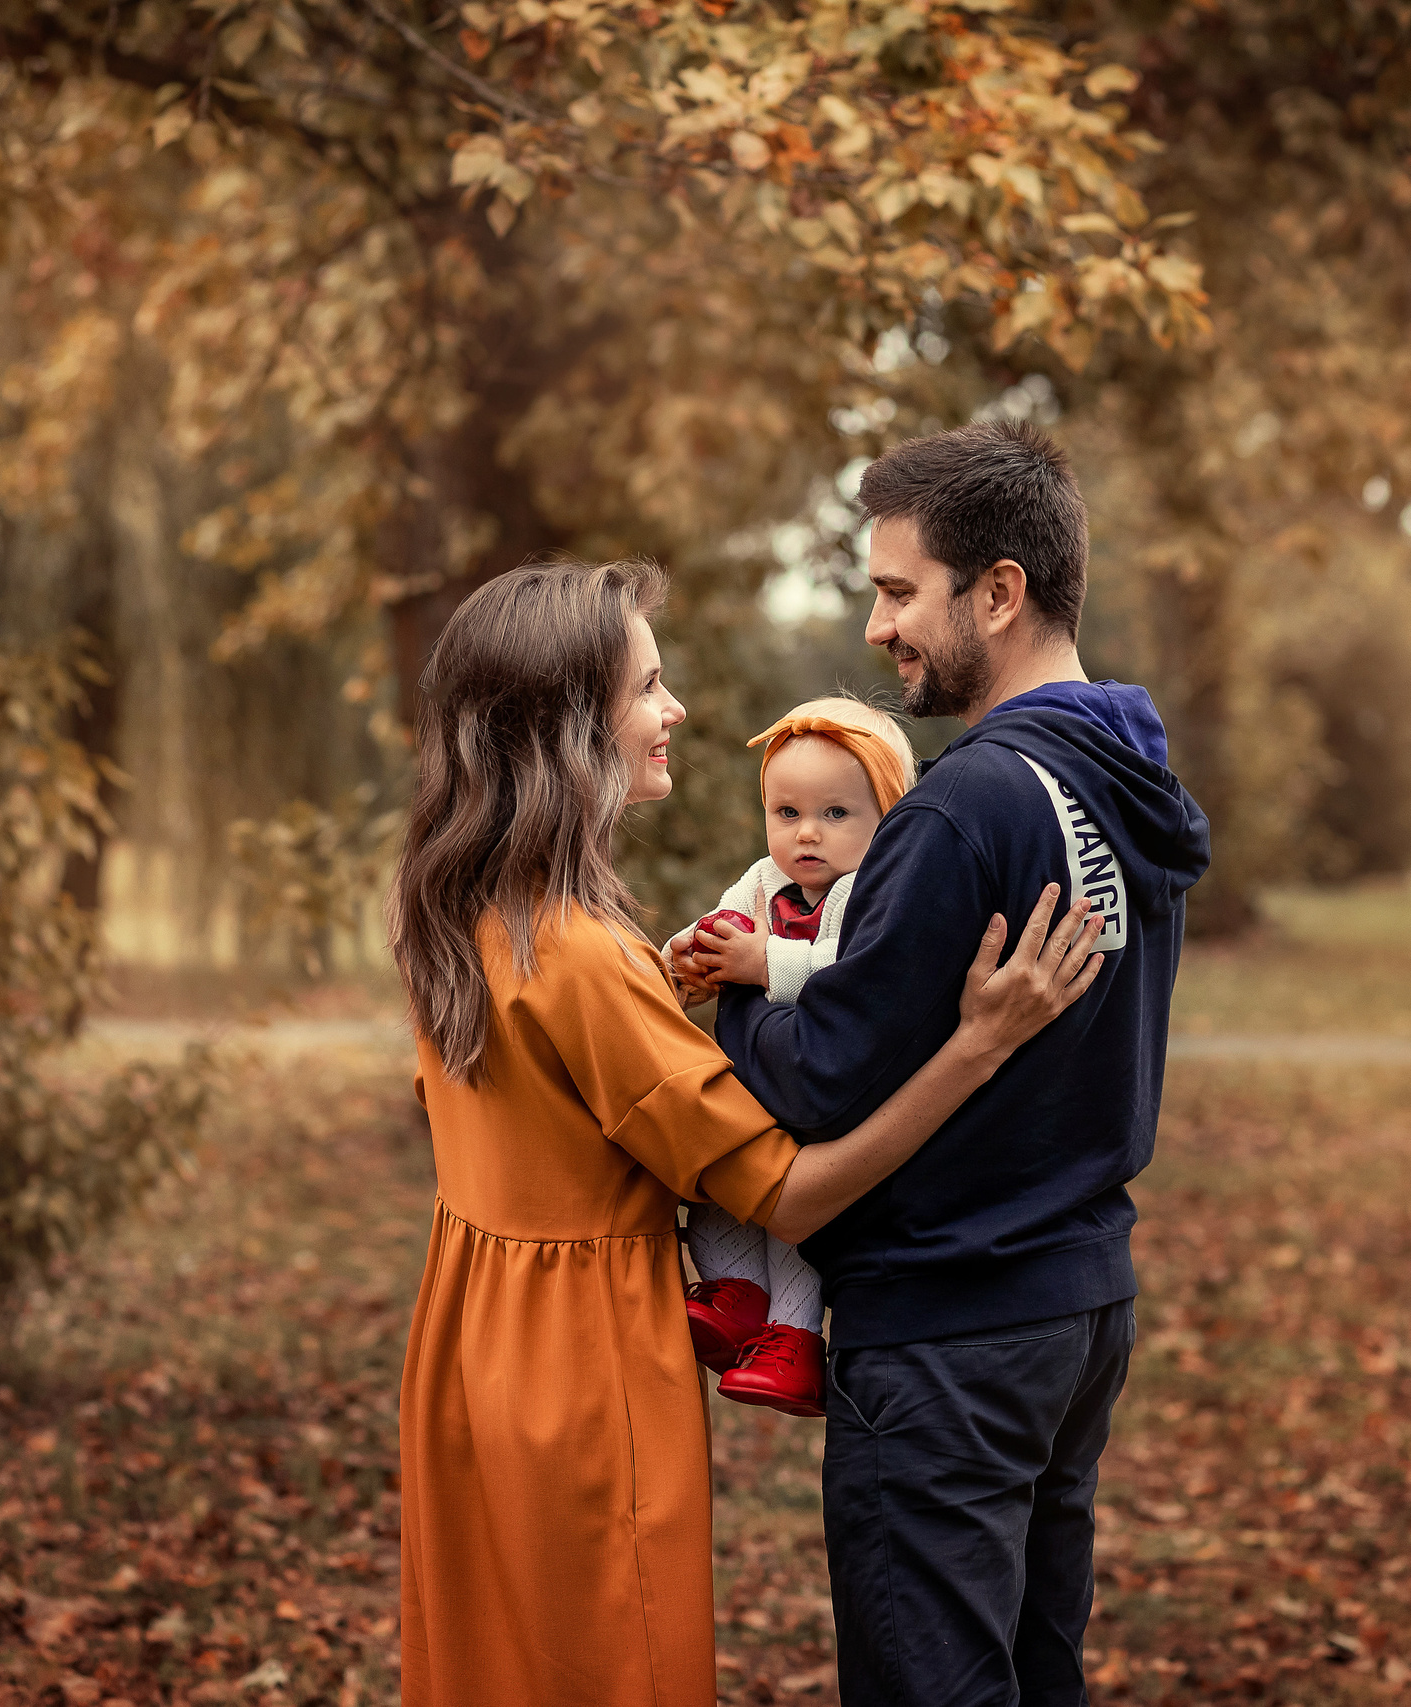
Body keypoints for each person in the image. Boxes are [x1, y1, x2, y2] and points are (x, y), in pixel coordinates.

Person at [389, 556, 1105, 1707]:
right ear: (573, 725)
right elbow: (792, 1195)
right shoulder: (579, 950)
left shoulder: (457, 905)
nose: (674, 713)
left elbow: (540, 1109)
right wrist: (977, 1045)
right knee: (615, 1663)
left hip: (473, 1340)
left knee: (497, 1662)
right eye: (647, 688)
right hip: (581, 1364)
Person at [715, 422, 1214, 1707]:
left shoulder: (960, 808)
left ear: (999, 592)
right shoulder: (1121, 778)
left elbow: (821, 1074)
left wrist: (719, 1000)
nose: (878, 629)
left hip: (948, 1327)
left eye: (898, 593)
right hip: (1075, 1311)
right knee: (1035, 1676)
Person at [661, 695, 918, 1418]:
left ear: (889, 819)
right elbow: (718, 929)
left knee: (790, 1221)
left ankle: (796, 1338)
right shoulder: (762, 880)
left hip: (824, 1110)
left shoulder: (876, 890)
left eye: (837, 814)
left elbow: (861, 969)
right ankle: (735, 1294)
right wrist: (690, 955)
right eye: (786, 813)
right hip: (752, 1095)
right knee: (715, 1194)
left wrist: (763, 962)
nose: (807, 834)